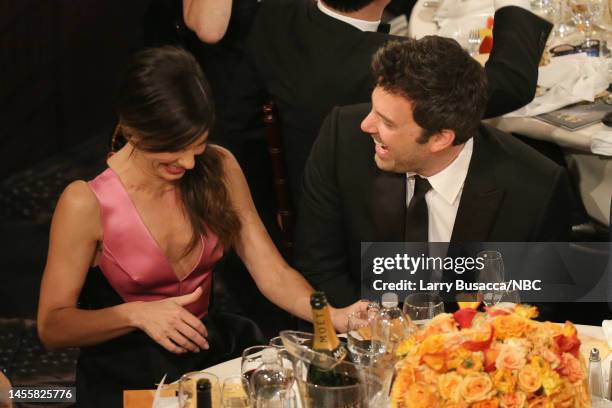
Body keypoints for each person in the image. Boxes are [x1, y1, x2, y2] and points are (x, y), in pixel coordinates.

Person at [37, 46, 363, 407]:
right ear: (132, 130)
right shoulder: (86, 202)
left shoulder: (218, 166)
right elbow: (53, 326)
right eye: (174, 149)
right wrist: (136, 314)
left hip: (209, 353)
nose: (190, 162)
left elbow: (271, 271)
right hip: (126, 371)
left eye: (198, 144)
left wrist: (332, 316)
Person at [294, 37, 573, 310]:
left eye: (387, 122)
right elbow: (319, 264)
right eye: (373, 109)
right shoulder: (341, 139)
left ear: (440, 139)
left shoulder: (536, 190)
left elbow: (535, 307)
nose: (366, 125)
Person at [226, 0, 553, 205]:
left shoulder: (273, 13)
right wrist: (516, 6)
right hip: (374, 213)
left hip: (283, 196)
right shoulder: (390, 67)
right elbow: (509, 85)